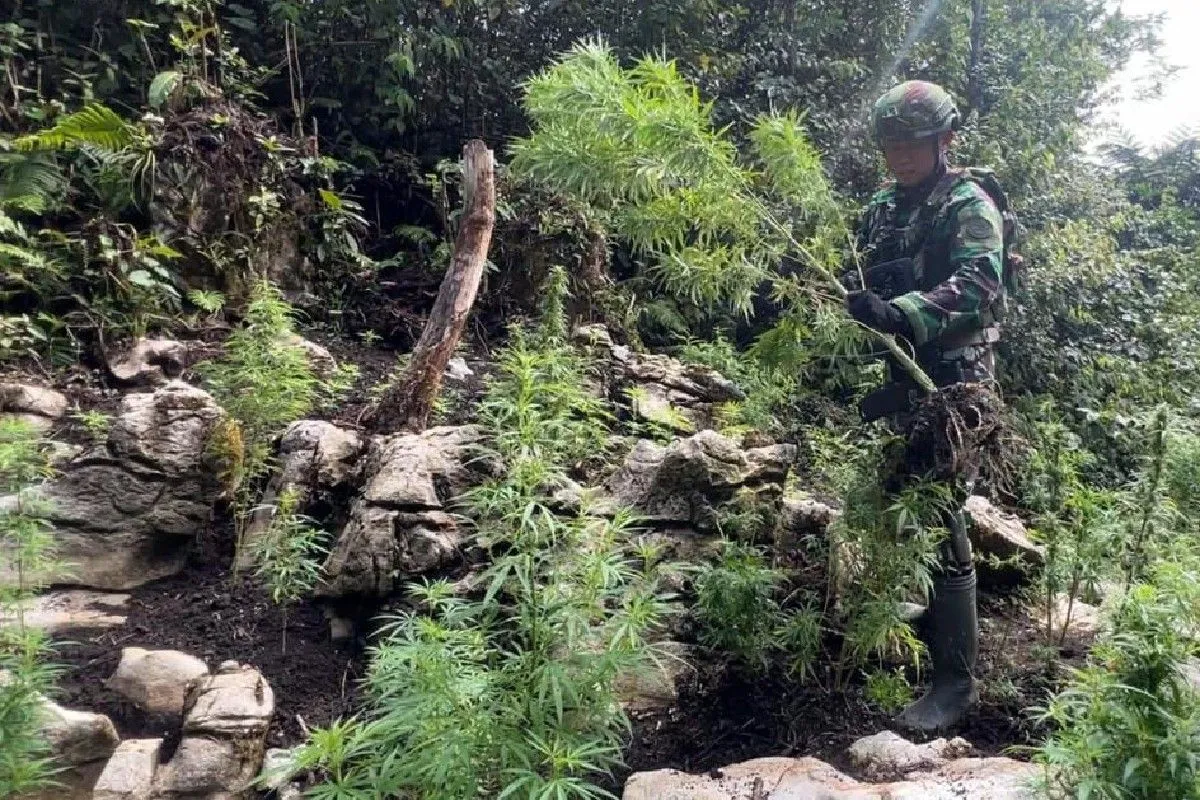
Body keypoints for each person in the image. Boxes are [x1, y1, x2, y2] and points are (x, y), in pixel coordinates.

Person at [844, 79, 1007, 733]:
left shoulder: (969, 204)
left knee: (941, 515)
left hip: (957, 382)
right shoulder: (882, 207)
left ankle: (955, 681)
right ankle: (928, 620)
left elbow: (978, 282)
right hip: (905, 379)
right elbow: (862, 274)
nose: (900, 156)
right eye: (890, 145)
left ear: (944, 141)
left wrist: (904, 312)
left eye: (911, 144)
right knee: (890, 499)